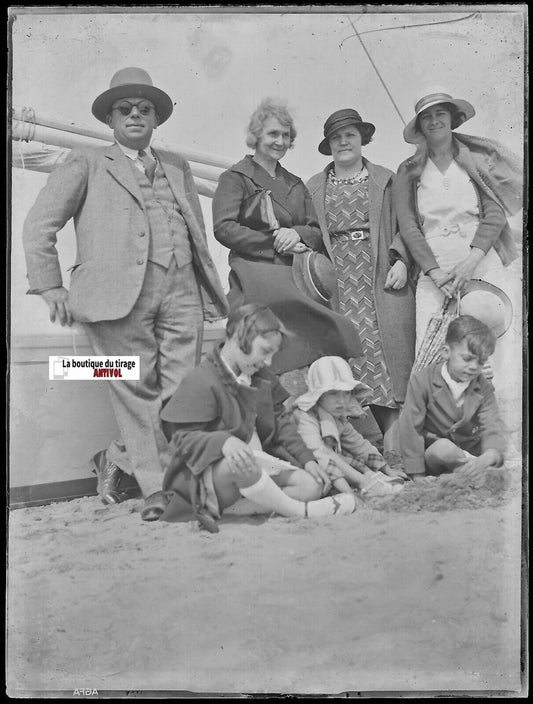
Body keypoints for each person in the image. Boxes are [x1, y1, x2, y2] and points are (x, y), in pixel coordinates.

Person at [22, 67, 228, 512]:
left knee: (181, 390)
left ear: (156, 120)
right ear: (111, 120)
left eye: (144, 109)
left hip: (182, 291)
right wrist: (50, 286)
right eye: (125, 109)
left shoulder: (177, 166)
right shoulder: (86, 161)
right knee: (135, 389)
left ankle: (122, 460)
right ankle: (160, 489)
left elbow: (195, 230)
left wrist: (207, 289)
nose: (135, 114)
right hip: (114, 297)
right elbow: (40, 225)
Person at [144, 304, 357, 530]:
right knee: (241, 462)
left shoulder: (260, 375)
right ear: (238, 336)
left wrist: (307, 459)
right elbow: (183, 439)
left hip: (257, 470)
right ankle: (299, 511)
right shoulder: (201, 380)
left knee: (311, 485)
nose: (268, 362)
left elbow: (281, 422)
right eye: (265, 351)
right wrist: (224, 442)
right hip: (214, 477)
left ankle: (235, 510)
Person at [212, 97, 362, 376]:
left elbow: (316, 231)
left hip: (295, 272)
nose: (280, 141)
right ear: (256, 136)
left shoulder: (295, 184)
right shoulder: (235, 177)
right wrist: (272, 243)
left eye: (285, 135)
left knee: (334, 326)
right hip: (254, 272)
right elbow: (224, 227)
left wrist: (295, 233)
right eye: (272, 134)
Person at [306, 109, 416, 456]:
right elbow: (309, 235)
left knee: (387, 360)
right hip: (337, 280)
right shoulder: (313, 187)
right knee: (344, 356)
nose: (343, 142)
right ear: (328, 145)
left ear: (362, 139)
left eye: (350, 135)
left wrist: (402, 259)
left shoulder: (386, 180)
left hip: (380, 275)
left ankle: (397, 452)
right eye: (336, 137)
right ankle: (354, 451)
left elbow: (409, 223)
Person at [392, 88, 521, 353]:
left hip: (481, 262)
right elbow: (408, 226)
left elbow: (494, 212)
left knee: (487, 349)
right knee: (432, 353)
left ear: (453, 118)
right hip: (434, 269)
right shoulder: (408, 170)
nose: (434, 120)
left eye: (441, 113)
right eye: (426, 116)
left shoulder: (474, 158)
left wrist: (471, 262)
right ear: (419, 125)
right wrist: (436, 273)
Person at [399, 315, 508, 481]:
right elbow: (411, 428)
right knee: (443, 448)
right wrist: (418, 476)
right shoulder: (421, 381)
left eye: (480, 362)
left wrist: (488, 456)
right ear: (446, 352)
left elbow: (492, 425)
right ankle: (469, 476)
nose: (473, 367)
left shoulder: (482, 386)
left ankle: (468, 475)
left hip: (473, 453)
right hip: (437, 457)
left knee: (492, 457)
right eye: (467, 359)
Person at [291, 356, 406, 498]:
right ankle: (363, 484)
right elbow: (321, 454)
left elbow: (358, 443)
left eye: (346, 393)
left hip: (330, 464)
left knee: (350, 456)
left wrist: (386, 469)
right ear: (319, 396)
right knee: (332, 456)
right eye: (333, 393)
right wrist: (350, 491)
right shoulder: (305, 417)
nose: (341, 401)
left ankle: (372, 476)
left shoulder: (336, 414)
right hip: (305, 465)